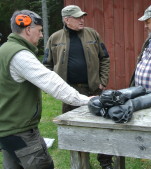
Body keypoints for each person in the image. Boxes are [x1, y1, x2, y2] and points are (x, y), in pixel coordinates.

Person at [0, 10, 90, 169]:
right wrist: (86, 100)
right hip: (20, 131)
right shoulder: (19, 54)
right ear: (28, 29)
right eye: (39, 30)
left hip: (6, 129)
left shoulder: (4, 50)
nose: (41, 35)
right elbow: (51, 82)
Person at [43, 5, 112, 169]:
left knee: (102, 127)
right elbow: (46, 65)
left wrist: (102, 80)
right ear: (67, 20)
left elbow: (105, 58)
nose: (82, 20)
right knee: (74, 130)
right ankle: (80, 163)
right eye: (77, 17)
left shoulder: (92, 34)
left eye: (82, 16)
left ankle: (106, 162)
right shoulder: (54, 38)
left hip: (94, 90)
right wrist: (56, 88)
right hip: (69, 93)